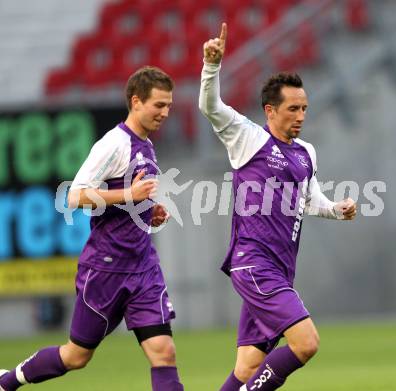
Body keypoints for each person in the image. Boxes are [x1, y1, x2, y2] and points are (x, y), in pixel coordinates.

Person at [0, 66, 184, 391]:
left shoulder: (147, 147)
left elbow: (131, 202)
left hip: (142, 267)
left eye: (168, 105)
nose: (165, 112)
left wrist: (147, 211)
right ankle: (7, 380)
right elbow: (74, 196)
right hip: (106, 268)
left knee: (163, 352)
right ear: (136, 101)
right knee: (76, 356)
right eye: (159, 105)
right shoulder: (113, 144)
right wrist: (128, 194)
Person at [199, 23, 357, 391]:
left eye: (304, 108)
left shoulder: (306, 153)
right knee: (306, 343)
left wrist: (337, 209)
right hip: (254, 262)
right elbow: (210, 106)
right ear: (270, 110)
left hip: (280, 269)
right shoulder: (247, 138)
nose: (301, 115)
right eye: (293, 108)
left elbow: (310, 201)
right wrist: (211, 67)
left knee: (247, 367)